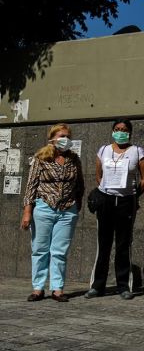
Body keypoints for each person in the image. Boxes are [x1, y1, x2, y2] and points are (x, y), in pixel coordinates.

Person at [21, 123, 84, 302]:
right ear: (53, 138)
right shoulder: (41, 157)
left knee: (59, 251)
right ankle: (38, 288)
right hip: (43, 208)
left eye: (68, 137)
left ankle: (57, 288)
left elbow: (79, 184)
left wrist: (77, 204)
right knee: (40, 249)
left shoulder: (74, 159)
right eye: (61, 136)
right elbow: (31, 185)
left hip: (67, 210)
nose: (65, 140)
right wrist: (27, 212)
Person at [85, 119, 144, 300]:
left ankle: (123, 286)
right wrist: (107, 191)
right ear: (112, 131)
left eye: (124, 130)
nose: (121, 132)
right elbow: (99, 176)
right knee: (103, 245)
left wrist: (134, 195)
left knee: (123, 245)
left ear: (130, 132)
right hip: (105, 200)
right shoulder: (103, 150)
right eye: (117, 129)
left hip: (127, 202)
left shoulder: (137, 151)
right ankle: (97, 286)